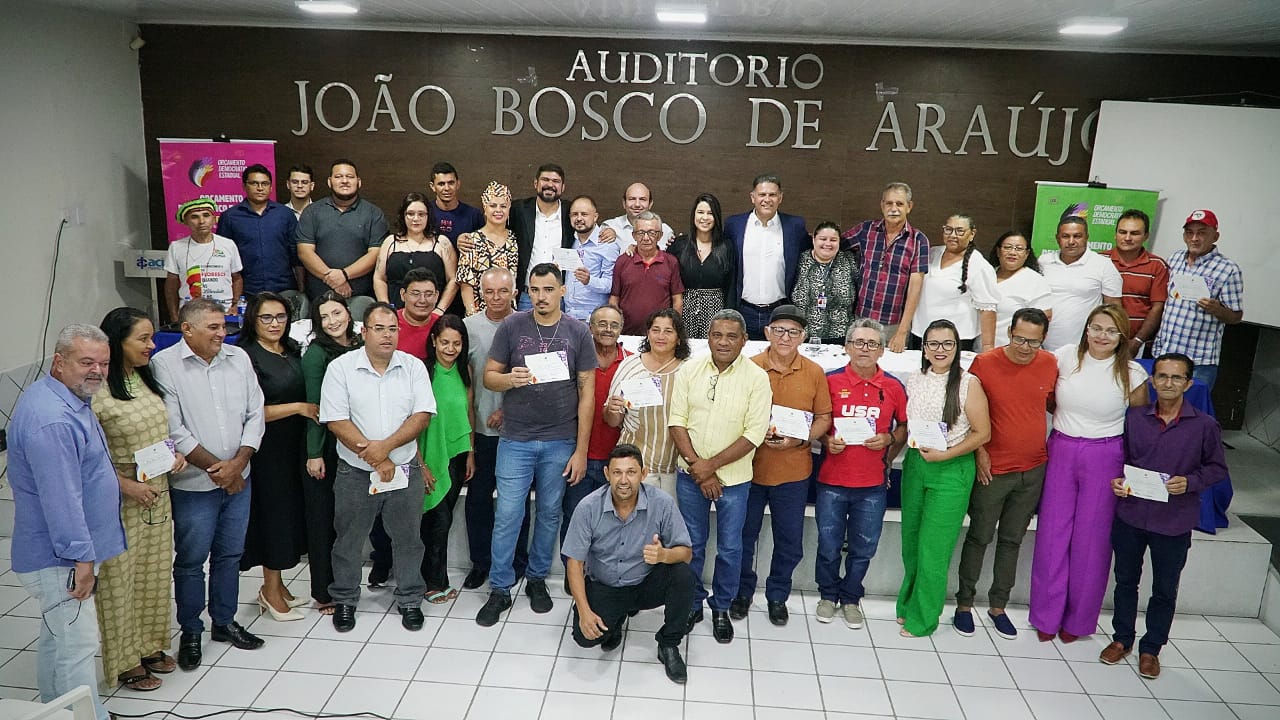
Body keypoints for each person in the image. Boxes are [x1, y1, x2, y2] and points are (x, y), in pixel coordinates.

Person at [9, 324, 126, 720]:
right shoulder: (53, 419)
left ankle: (55, 712)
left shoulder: (67, 398)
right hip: (60, 558)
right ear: (59, 362)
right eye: (86, 362)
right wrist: (82, 561)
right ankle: (84, 716)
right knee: (76, 645)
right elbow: (62, 500)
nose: (96, 371)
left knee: (57, 638)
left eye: (104, 363)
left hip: (62, 554)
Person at [475, 263, 597, 626]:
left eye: (548, 289)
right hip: (515, 439)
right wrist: (508, 380)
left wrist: (580, 450)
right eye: (534, 290)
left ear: (562, 290)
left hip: (560, 440)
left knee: (548, 514)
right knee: (508, 514)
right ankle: (499, 587)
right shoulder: (513, 326)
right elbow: (488, 377)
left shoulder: (578, 331)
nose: (541, 296)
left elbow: (586, 394)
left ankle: (537, 579)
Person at [151, 298, 266, 670]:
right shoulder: (164, 366)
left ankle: (224, 621)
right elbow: (173, 429)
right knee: (190, 561)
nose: (222, 333)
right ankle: (191, 630)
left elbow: (255, 413)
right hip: (193, 483)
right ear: (187, 329)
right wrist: (222, 469)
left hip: (239, 477)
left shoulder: (239, 359)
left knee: (230, 555)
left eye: (223, 326)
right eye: (213, 327)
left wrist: (239, 463)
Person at [1100, 353, 1228, 680]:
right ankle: (1122, 639)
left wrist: (1191, 482)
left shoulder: (1204, 425)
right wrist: (1118, 481)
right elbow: (1121, 460)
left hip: (1173, 521)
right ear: (1153, 381)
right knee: (1126, 581)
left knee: (1164, 589)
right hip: (1131, 515)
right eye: (1162, 376)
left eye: (1176, 378)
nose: (1168, 383)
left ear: (1188, 383)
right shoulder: (1135, 419)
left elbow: (1216, 469)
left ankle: (1151, 648)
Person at [1031, 304, 1148, 642]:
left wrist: (1132, 473)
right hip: (1063, 449)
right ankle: (1046, 616)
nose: (1102, 336)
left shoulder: (1132, 373)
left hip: (1106, 455)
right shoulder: (1066, 357)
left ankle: (1078, 621)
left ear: (1122, 336)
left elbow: (1138, 427)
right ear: (1086, 329)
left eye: (1111, 331)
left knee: (1092, 542)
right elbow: (1050, 399)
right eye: (1096, 328)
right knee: (1052, 535)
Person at [319, 302, 435, 633]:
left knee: (409, 538)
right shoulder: (340, 369)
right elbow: (337, 421)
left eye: (392, 329)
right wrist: (376, 457)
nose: (387, 335)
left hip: (404, 469)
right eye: (379, 329)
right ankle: (344, 599)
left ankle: (411, 598)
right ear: (364, 332)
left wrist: (385, 449)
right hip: (356, 471)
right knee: (349, 539)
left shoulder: (413, 367)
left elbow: (422, 416)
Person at [92, 308, 186, 692]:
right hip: (120, 500)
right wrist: (124, 486)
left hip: (157, 493)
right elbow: (89, 458)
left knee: (153, 574)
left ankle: (148, 645)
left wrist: (173, 455)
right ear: (117, 343)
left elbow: (156, 431)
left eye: (151, 338)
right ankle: (125, 661)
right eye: (142, 339)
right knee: (120, 582)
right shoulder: (97, 392)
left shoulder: (144, 379)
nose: (151, 345)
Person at [669, 309, 772, 643]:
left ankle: (721, 607)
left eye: (732, 336)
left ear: (744, 340)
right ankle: (691, 602)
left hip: (736, 479)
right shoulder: (690, 369)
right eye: (717, 335)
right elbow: (677, 421)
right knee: (692, 544)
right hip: (690, 475)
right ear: (708, 338)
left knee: (730, 548)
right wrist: (698, 467)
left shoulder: (757, 378)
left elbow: (754, 434)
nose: (723, 342)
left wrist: (709, 466)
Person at [954, 308, 1057, 640]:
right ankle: (964, 604)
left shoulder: (1050, 364)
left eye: (1034, 342)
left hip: (1033, 469)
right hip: (993, 469)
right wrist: (979, 451)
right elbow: (965, 411)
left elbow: (1055, 405)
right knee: (979, 537)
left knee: (1012, 540)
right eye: (1019, 338)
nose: (1025, 347)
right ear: (1008, 332)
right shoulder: (985, 364)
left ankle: (998, 606)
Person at [733, 305, 832, 625]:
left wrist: (801, 439)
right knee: (743, 537)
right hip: (748, 468)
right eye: (779, 330)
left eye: (793, 332)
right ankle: (741, 592)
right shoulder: (749, 367)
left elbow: (824, 418)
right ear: (767, 332)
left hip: (793, 471)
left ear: (803, 336)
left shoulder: (814, 372)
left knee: (789, 540)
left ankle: (778, 595)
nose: (785, 337)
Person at [563, 444, 694, 684]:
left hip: (645, 582)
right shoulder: (588, 507)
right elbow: (574, 563)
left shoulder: (661, 503)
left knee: (683, 575)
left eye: (631, 472)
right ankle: (614, 623)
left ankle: (669, 644)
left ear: (643, 474)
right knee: (585, 638)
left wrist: (664, 555)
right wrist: (584, 611)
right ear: (606, 474)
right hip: (606, 585)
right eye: (617, 472)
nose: (624, 480)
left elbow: (686, 553)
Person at [897, 319, 990, 638]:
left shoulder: (969, 383)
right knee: (910, 541)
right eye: (933, 344)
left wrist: (945, 456)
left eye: (947, 344)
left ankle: (923, 618)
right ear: (923, 348)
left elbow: (982, 432)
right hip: (916, 463)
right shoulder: (915, 378)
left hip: (950, 468)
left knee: (933, 549)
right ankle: (908, 603)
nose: (940, 350)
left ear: (957, 347)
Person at [815, 319, 907, 629]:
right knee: (828, 545)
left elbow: (905, 427)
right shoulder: (829, 381)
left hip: (872, 485)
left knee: (864, 546)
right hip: (832, 481)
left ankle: (852, 597)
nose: (864, 349)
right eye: (858, 342)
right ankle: (827, 594)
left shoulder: (893, 386)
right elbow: (817, 423)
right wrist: (827, 441)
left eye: (871, 343)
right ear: (846, 347)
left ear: (882, 350)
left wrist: (889, 442)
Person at [237, 292, 315, 622]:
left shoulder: (291, 350)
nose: (275, 324)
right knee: (274, 518)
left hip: (294, 446)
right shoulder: (246, 357)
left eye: (281, 317)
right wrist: (299, 408)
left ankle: (279, 584)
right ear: (253, 320)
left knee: (291, 516)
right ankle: (269, 590)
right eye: (266, 318)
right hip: (267, 450)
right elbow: (249, 411)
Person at [461, 267, 531, 590]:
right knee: (478, 499)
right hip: (481, 434)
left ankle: (517, 560)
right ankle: (480, 562)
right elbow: (464, 380)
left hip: (518, 432)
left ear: (514, 292)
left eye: (503, 291)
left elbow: (536, 379)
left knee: (515, 502)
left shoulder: (529, 325)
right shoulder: (468, 327)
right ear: (481, 293)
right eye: (489, 292)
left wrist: (508, 409)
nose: (496, 298)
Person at [302, 291, 361, 614]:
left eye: (336, 313)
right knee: (323, 521)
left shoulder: (359, 345)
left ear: (348, 313)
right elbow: (315, 409)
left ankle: (348, 583)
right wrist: (314, 453)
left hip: (356, 442)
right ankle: (324, 591)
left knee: (348, 521)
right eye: (325, 317)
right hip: (326, 447)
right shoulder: (315, 354)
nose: (333, 321)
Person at [561, 305, 631, 569]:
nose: (607, 329)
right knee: (574, 518)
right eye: (601, 323)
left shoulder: (632, 363)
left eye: (613, 324)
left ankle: (608, 573)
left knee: (616, 522)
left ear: (621, 329)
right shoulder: (574, 358)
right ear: (589, 327)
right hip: (578, 455)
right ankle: (573, 573)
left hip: (616, 461)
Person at [604, 308, 691, 498]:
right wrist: (612, 409)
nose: (661, 336)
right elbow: (612, 420)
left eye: (668, 331)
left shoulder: (689, 371)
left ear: (678, 338)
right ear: (648, 333)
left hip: (674, 468)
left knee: (665, 525)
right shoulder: (630, 365)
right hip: (634, 465)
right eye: (655, 329)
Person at [1153, 209, 1244, 389]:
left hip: (1198, 361)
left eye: (1202, 233)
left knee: (1191, 414)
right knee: (1158, 411)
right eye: (1189, 232)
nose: (1194, 238)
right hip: (1164, 354)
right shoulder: (1175, 259)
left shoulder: (1228, 269)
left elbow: (1236, 317)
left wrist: (1217, 309)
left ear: (1215, 236)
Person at [418, 315, 474, 604]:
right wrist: (421, 464)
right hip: (428, 457)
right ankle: (432, 582)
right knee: (435, 523)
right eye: (444, 342)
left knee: (444, 520)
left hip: (457, 454)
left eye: (456, 343)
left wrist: (471, 453)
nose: (450, 348)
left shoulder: (465, 370)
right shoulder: (423, 372)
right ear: (434, 341)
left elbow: (468, 413)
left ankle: (436, 578)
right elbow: (410, 421)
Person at [843, 182, 930, 352]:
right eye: (889, 203)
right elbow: (834, 244)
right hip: (860, 319)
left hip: (894, 324)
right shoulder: (866, 230)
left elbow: (915, 288)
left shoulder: (918, 240)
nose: (894, 208)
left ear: (909, 206)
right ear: (882, 205)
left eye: (899, 204)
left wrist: (902, 331)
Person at [725, 174, 809, 339]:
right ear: (752, 197)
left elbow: (808, 254)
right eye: (762, 194)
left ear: (780, 198)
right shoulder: (734, 225)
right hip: (743, 311)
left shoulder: (795, 226)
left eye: (772, 194)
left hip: (781, 311)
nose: (767, 199)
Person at [296, 159, 389, 300]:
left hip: (361, 297)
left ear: (359, 182)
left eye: (350, 177)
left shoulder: (373, 214)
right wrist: (334, 279)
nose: (344, 181)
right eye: (338, 177)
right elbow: (304, 252)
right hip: (319, 298)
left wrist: (344, 275)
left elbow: (376, 254)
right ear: (329, 181)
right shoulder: (312, 212)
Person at [911, 214, 999, 352]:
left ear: (972, 234)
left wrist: (988, 347)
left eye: (959, 231)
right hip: (920, 334)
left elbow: (987, 310)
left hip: (956, 340)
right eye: (948, 230)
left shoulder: (979, 265)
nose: (953, 235)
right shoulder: (932, 253)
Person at [1039, 216, 1123, 350]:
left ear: (1086, 237)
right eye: (1065, 236)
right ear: (1057, 238)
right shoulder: (1043, 261)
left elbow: (1114, 309)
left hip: (1083, 347)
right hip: (1041, 345)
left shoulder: (1103, 265)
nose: (1071, 241)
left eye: (1077, 236)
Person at [216, 164, 301, 295]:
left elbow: (296, 254)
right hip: (247, 290)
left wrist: (301, 289)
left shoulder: (285, 214)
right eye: (254, 183)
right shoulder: (230, 217)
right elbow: (223, 257)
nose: (260, 188)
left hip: (284, 288)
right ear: (244, 186)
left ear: (271, 187)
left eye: (265, 184)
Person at [374, 191, 458, 313]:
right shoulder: (390, 242)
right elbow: (379, 278)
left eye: (421, 214)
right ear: (403, 216)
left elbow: (453, 280)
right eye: (411, 214)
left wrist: (440, 309)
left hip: (432, 313)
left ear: (428, 216)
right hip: (396, 313)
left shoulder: (442, 243)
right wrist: (386, 308)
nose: (416, 219)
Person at [667, 193, 735, 339]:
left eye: (710, 213)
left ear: (716, 217)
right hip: (684, 309)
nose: (705, 218)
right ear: (693, 215)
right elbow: (668, 282)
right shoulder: (679, 244)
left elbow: (731, 285)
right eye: (700, 212)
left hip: (715, 310)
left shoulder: (726, 246)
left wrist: (728, 318)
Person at [164, 198, 244, 322]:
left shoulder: (228, 244)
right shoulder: (176, 247)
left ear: (214, 219)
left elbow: (237, 278)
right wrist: (174, 316)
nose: (201, 221)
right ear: (186, 221)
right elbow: (171, 284)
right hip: (189, 314)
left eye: (206, 215)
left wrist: (234, 305)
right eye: (194, 217)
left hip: (223, 312)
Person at [1104, 209, 1169, 359]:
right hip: (1101, 340)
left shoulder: (1157, 266)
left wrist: (1137, 341)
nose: (1127, 238)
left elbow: (1157, 308)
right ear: (1115, 234)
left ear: (1146, 236)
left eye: (1134, 233)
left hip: (1137, 346)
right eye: (1122, 232)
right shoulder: (1099, 261)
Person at [509, 164, 576, 308]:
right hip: (526, 297)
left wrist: (609, 232)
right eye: (545, 179)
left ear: (563, 187)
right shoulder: (518, 209)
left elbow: (590, 227)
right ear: (535, 183)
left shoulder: (572, 211)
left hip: (560, 297)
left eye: (556, 181)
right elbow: (497, 230)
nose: (550, 185)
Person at [610, 211, 685, 335]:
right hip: (627, 333)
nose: (646, 238)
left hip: (660, 335)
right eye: (641, 233)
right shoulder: (622, 261)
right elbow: (614, 299)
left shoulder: (671, 262)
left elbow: (677, 300)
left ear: (660, 236)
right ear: (634, 235)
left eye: (651, 233)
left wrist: (673, 328)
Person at [457, 181, 521, 315]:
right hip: (480, 312)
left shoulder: (515, 239)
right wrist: (472, 314)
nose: (498, 210)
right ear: (485, 208)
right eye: (493, 205)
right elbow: (466, 282)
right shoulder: (472, 240)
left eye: (503, 206)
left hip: (509, 313)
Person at [792, 221, 859, 344]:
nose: (828, 243)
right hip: (803, 336)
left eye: (833, 240)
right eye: (823, 239)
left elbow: (860, 291)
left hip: (840, 337)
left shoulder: (849, 262)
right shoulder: (799, 261)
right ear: (814, 240)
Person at [987, 231, 1053, 347]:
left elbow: (1042, 320)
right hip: (980, 348)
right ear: (998, 251)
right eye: (1007, 247)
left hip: (1016, 351)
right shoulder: (986, 274)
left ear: (1027, 253)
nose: (1012, 252)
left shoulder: (1035, 281)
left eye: (1019, 248)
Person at [562, 195, 621, 321]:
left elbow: (611, 284)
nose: (579, 218)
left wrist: (589, 281)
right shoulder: (569, 240)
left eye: (584, 214)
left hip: (593, 317)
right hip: (566, 314)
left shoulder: (608, 245)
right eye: (574, 214)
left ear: (595, 217)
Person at [604, 182, 676, 250]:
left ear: (650, 204)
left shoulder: (665, 230)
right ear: (624, 203)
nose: (637, 204)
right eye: (632, 199)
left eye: (642, 199)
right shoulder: (610, 227)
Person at [429, 161, 485, 245]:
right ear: (433, 186)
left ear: (458, 184)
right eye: (441, 184)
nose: (447, 188)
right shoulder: (424, 212)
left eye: (451, 183)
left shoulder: (474, 215)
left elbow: (483, 247)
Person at [395, 268, 443, 360]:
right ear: (403, 294)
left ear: (436, 296)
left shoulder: (443, 325)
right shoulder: (389, 324)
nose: (422, 300)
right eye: (415, 294)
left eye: (428, 294)